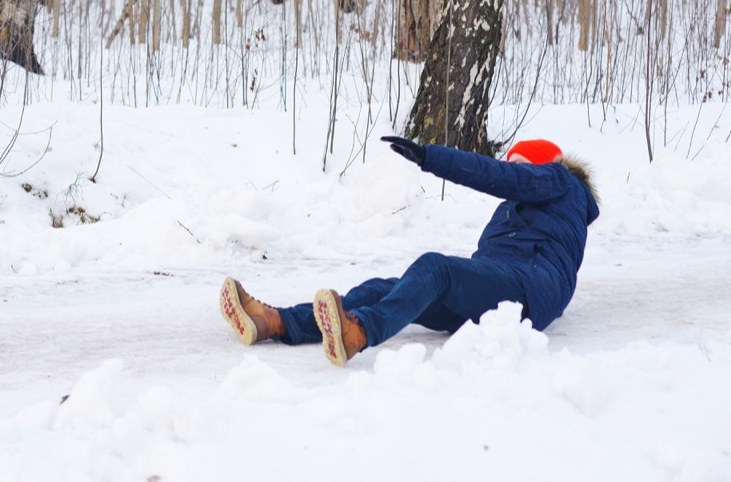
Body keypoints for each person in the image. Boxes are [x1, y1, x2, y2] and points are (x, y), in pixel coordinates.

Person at [219, 137, 600, 367]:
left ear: (538, 166)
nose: (513, 176)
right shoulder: (514, 211)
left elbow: (502, 177)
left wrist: (432, 158)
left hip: (529, 291)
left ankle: (361, 332)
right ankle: (278, 322)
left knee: (436, 269)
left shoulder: (560, 181)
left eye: (518, 168)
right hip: (500, 295)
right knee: (385, 287)